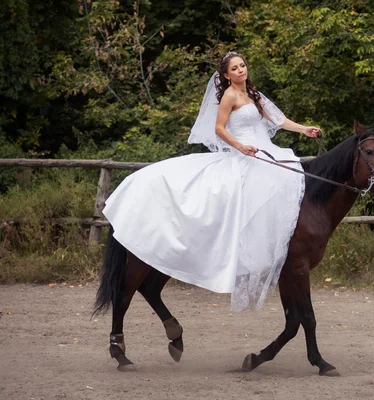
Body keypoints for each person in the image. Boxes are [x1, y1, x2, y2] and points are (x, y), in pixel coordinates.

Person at [102, 51, 321, 311]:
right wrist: (240, 146)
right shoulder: (229, 96)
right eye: (235, 68)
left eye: (243, 65)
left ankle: (273, 254)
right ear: (227, 75)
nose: (241, 70)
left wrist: (303, 128)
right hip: (243, 154)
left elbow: (278, 119)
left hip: (265, 152)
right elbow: (219, 129)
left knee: (286, 186)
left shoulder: (253, 94)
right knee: (238, 197)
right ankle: (233, 252)